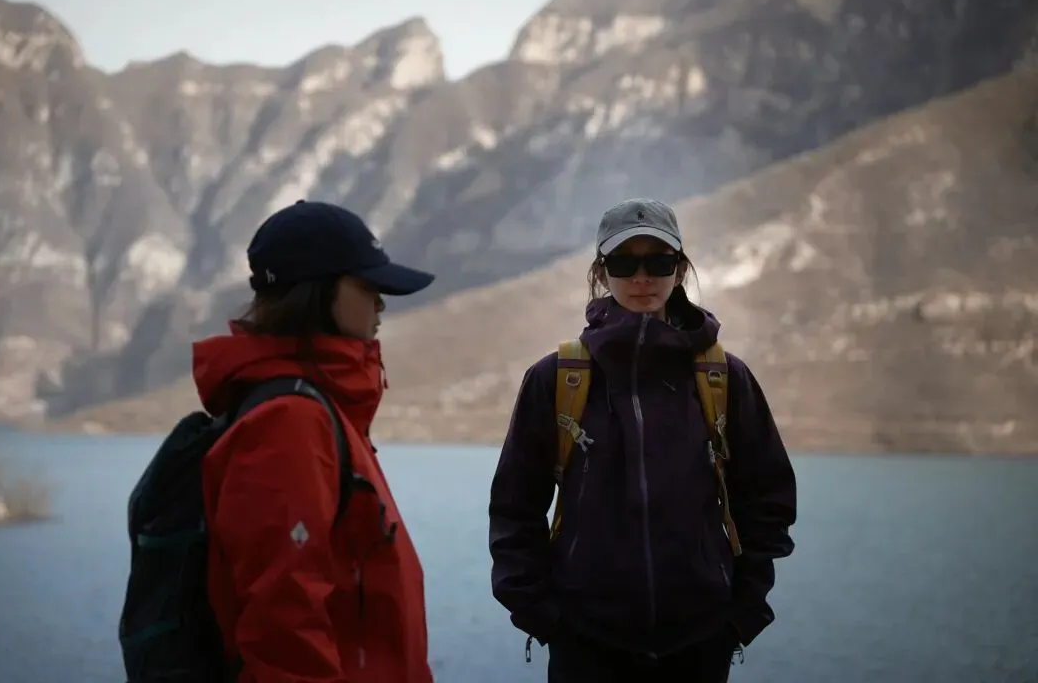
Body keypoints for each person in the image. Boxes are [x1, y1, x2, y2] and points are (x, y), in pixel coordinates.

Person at [488, 197, 798, 682]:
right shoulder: (557, 379)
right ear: (601, 271)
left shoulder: (724, 378)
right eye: (623, 263)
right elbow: (514, 509)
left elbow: (767, 501)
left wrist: (741, 615)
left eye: (658, 261)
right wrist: (543, 616)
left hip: (699, 643)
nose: (641, 277)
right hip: (586, 645)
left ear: (680, 269)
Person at [194, 200, 435, 683]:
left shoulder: (318, 409)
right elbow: (283, 627)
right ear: (318, 292)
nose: (381, 305)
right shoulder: (290, 423)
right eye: (368, 287)